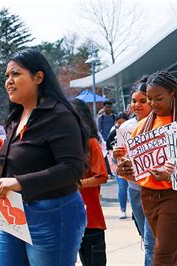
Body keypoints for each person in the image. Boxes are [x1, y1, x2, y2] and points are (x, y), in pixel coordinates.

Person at [0, 48, 87, 266]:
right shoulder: (15, 117)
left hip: (53, 215)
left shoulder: (59, 115)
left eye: (16, 74)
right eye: (7, 76)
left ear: (38, 77)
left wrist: (19, 182)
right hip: (14, 214)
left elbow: (72, 169)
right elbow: (10, 165)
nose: (9, 81)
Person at [116, 71, 177, 265]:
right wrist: (124, 168)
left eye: (159, 98)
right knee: (176, 256)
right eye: (150, 99)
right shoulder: (141, 126)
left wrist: (169, 175)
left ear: (173, 94)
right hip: (148, 197)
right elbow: (138, 171)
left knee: (162, 257)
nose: (153, 104)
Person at [113, 78, 155, 265]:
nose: (137, 105)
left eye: (143, 101)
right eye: (134, 101)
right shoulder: (125, 127)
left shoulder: (161, 124)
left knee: (152, 240)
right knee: (146, 238)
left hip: (157, 191)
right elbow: (121, 160)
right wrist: (118, 157)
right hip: (134, 189)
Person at [70, 98, 108, 266]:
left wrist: (77, 184)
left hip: (90, 219)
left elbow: (102, 176)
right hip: (66, 217)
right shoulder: (62, 145)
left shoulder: (92, 143)